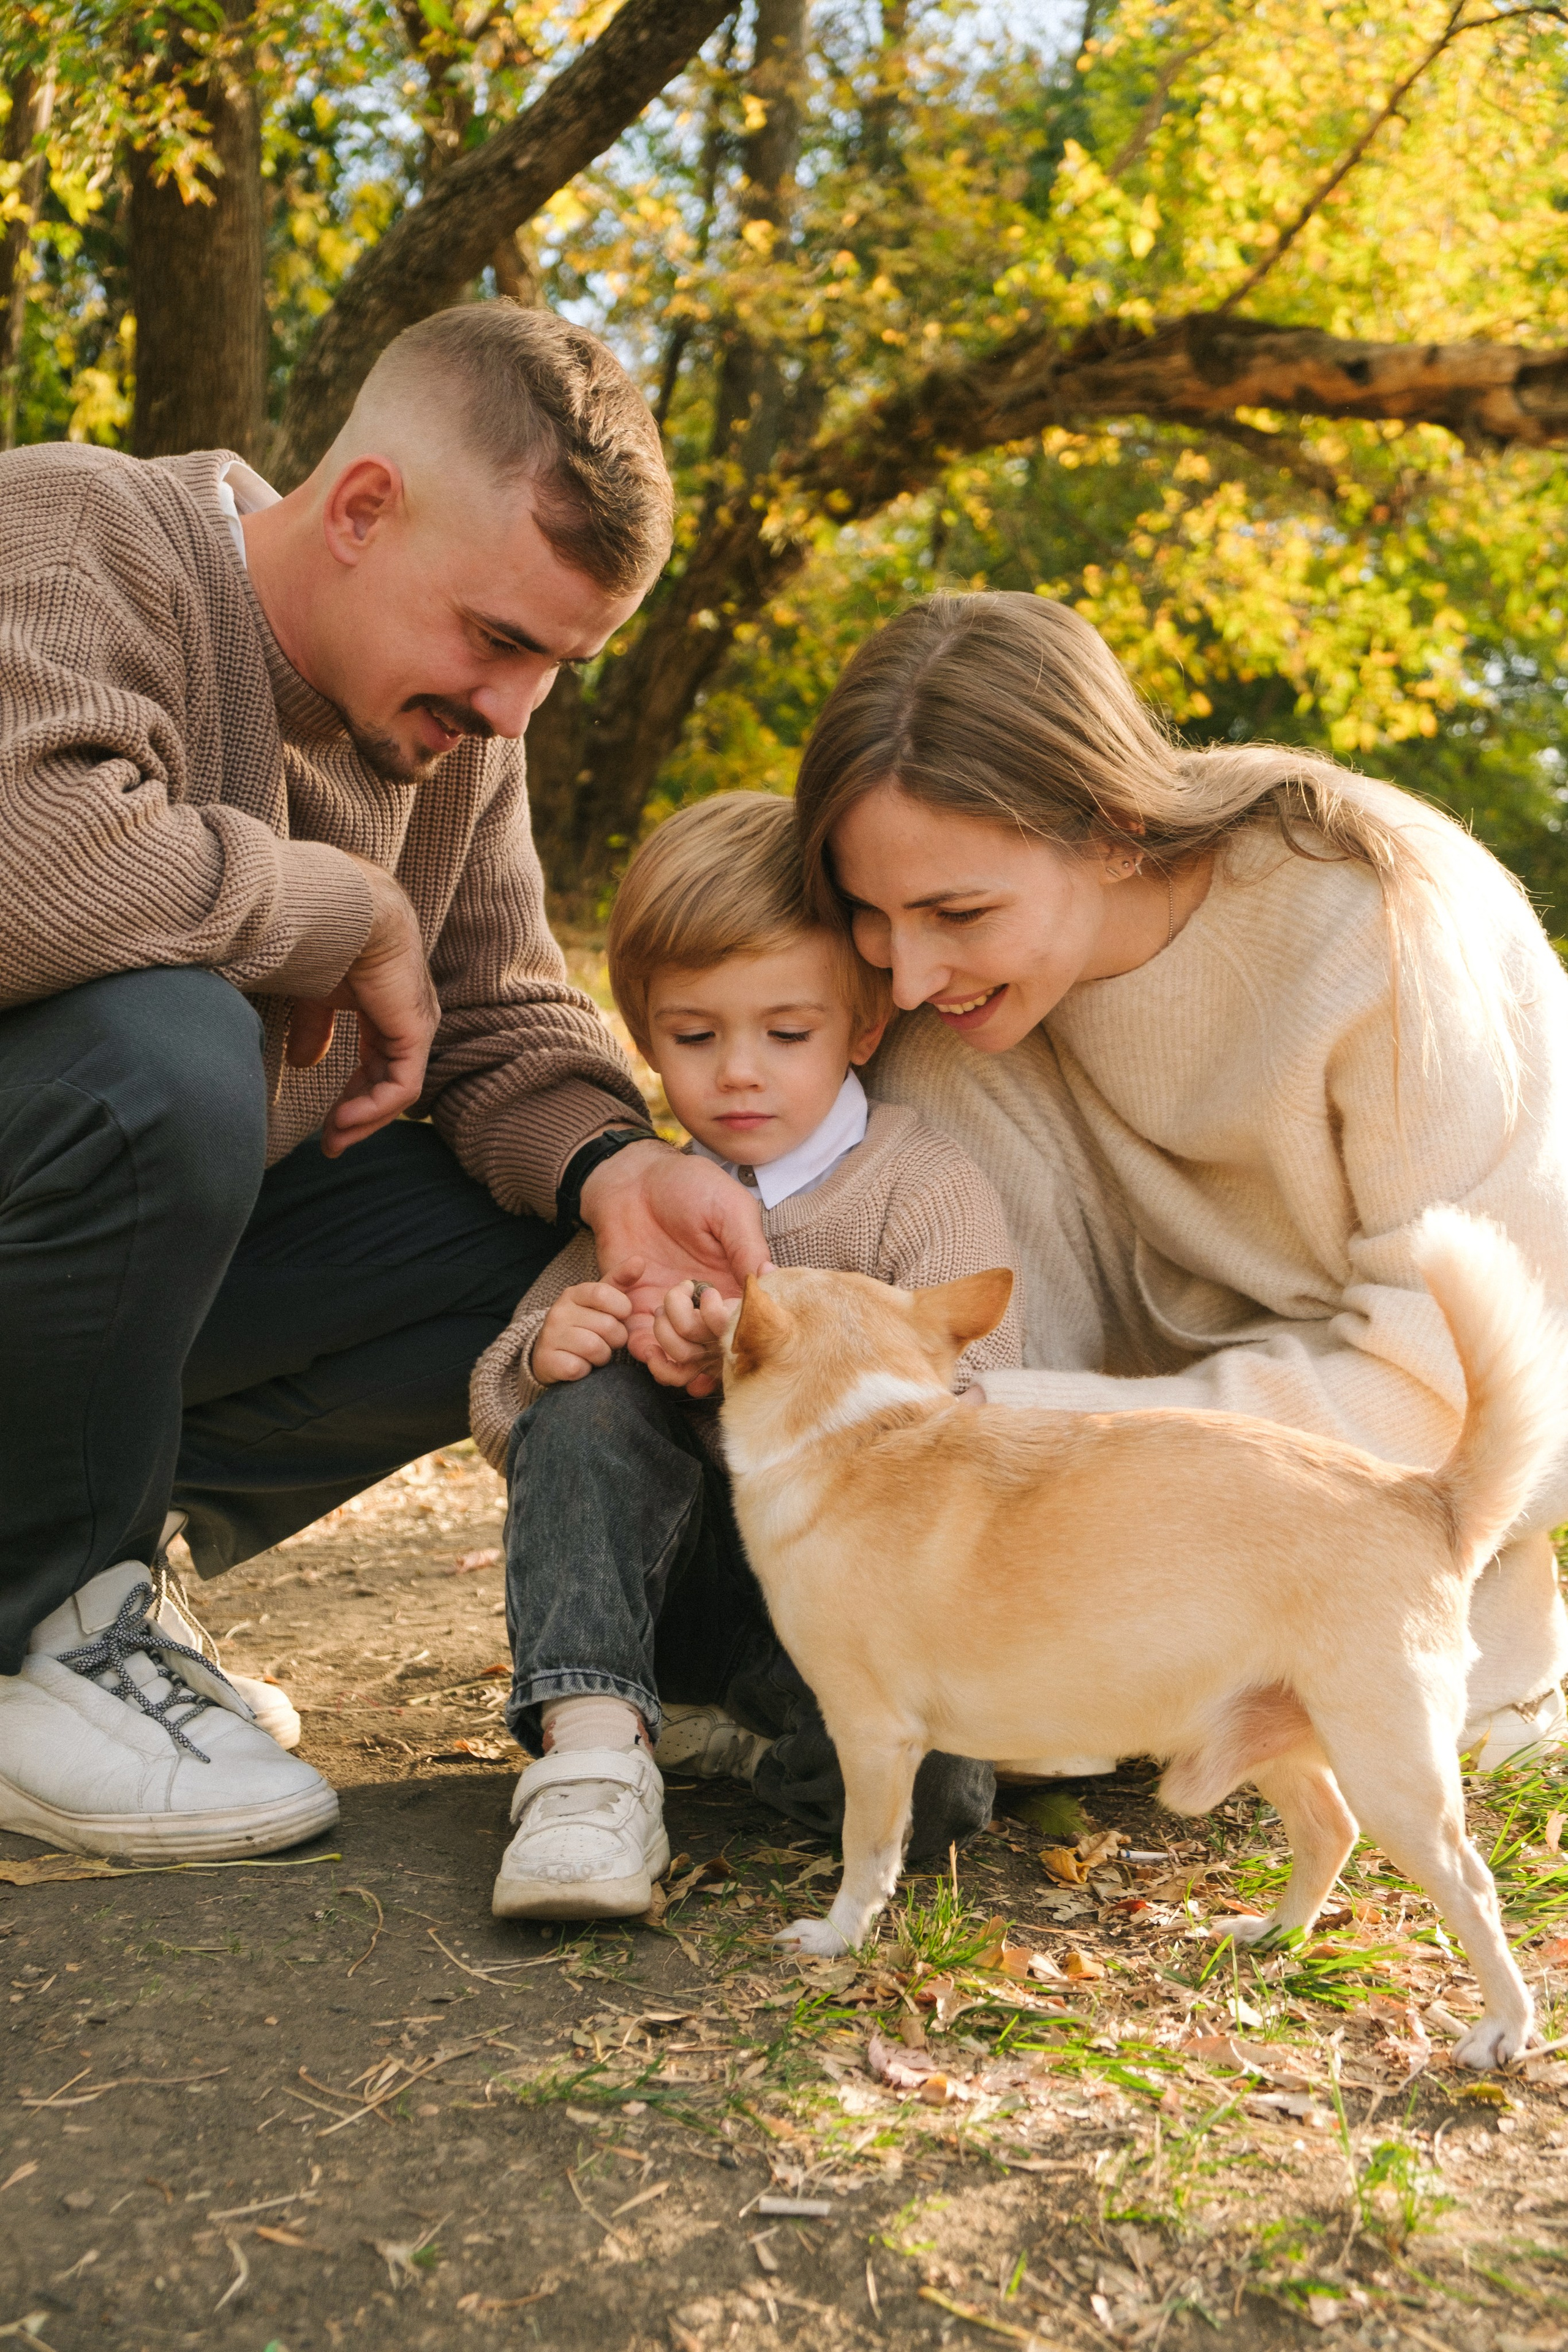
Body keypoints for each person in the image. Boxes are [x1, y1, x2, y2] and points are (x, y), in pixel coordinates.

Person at [0, 302, 769, 1865]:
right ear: (361, 508)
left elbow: (497, 1011)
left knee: (545, 1230)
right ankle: (45, 1626)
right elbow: (32, 860)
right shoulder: (77, 529)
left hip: (99, 1289)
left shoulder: (456, 737)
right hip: (55, 1176)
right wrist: (344, 907)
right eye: (501, 640)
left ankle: (114, 1563)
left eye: (556, 666)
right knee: (169, 1047)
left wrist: (618, 1173)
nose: (513, 707)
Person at [793, 590, 1568, 1774]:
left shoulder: (1387, 924)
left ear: (1115, 829)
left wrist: (1015, 1431)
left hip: (1394, 1617)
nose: (905, 975)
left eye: (959, 913)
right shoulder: (953, 1020)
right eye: (871, 915)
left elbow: (1462, 1398)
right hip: (1085, 1626)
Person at [468, 792, 1023, 1920]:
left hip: (841, 1612)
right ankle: (592, 1745)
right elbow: (502, 1412)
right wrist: (548, 1357)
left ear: (862, 1028)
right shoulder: (649, 1197)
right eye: (694, 1038)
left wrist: (761, 1371)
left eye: (787, 1034)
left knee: (945, 1797)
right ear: (643, 1035)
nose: (738, 1073)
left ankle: (756, 1753)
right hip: (676, 1589)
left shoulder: (919, 1185)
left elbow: (982, 1410)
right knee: (592, 1397)